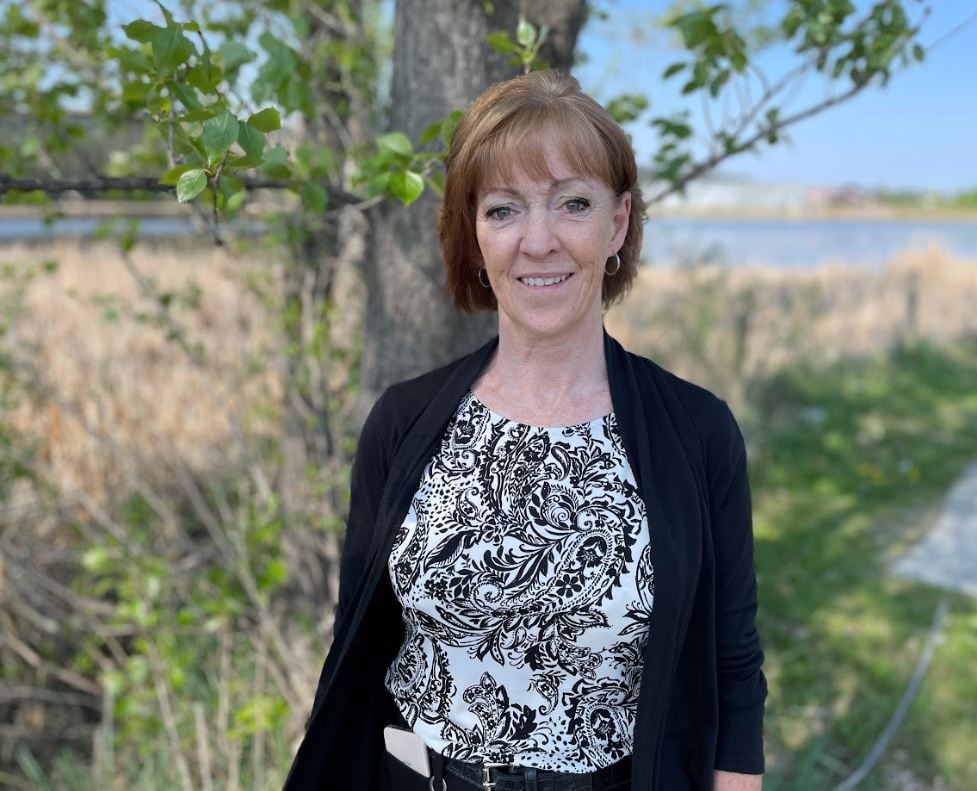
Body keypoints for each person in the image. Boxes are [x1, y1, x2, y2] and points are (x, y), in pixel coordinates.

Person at [285, 69, 768, 791]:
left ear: (618, 223)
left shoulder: (696, 431)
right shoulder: (404, 420)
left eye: (573, 203)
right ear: (474, 236)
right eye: (505, 210)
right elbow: (354, 643)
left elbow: (733, 666)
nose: (538, 242)